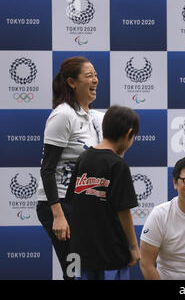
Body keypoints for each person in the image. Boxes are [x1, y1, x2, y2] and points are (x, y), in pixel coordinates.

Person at [36, 56, 103, 280]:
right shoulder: (63, 115)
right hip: (59, 205)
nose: (95, 80)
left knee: (87, 269)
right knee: (75, 271)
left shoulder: (93, 118)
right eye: (89, 76)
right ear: (72, 82)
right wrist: (58, 215)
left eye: (95, 75)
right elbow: (47, 169)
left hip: (83, 205)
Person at [64, 105, 140, 280]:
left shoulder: (83, 159)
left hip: (80, 252)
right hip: (112, 254)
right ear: (129, 133)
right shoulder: (118, 165)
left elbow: (72, 202)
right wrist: (134, 246)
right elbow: (123, 210)